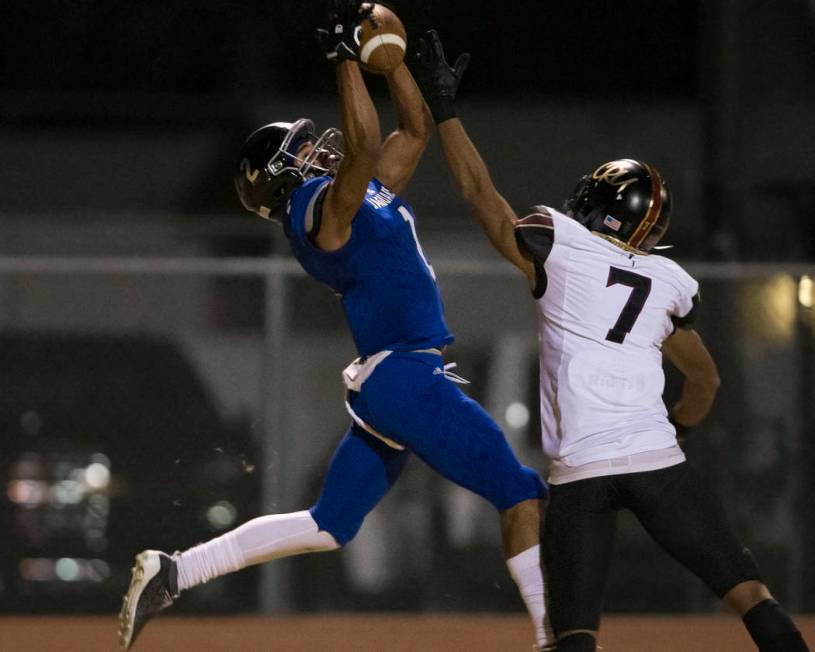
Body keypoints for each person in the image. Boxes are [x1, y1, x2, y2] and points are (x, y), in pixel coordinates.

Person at [117, 4, 554, 651]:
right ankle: (557, 637)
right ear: (282, 177)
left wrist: (401, 68)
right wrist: (347, 60)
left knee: (330, 524)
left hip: (394, 376)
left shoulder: (359, 191)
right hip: (405, 373)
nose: (313, 146)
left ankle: (176, 570)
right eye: (299, 149)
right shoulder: (316, 212)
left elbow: (410, 130)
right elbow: (364, 145)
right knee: (520, 493)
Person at [415, 29, 811, 652]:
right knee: (752, 597)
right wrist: (675, 432)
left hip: (582, 475)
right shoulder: (666, 281)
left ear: (594, 208)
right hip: (659, 464)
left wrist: (446, 113)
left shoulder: (561, 249)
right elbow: (704, 380)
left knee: (575, 637)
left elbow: (478, 197)